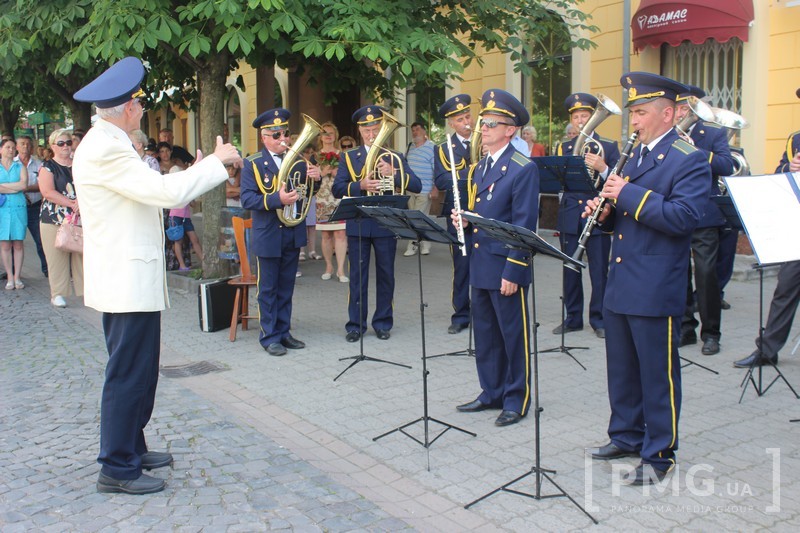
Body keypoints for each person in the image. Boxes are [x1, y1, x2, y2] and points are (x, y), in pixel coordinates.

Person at [71, 56, 242, 495]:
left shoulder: (109, 141)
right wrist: (216, 163)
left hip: (130, 277)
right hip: (125, 280)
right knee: (128, 372)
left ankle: (132, 445)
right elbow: (165, 192)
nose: (143, 107)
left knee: (141, 370)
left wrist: (198, 169)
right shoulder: (106, 146)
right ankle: (117, 466)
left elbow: (148, 195)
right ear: (127, 107)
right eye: (140, 101)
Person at [586, 72, 710, 485]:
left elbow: (685, 218)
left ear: (669, 113)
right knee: (622, 367)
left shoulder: (687, 157)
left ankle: (660, 453)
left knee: (657, 373)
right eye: (633, 113)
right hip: (622, 277)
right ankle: (625, 434)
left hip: (656, 284)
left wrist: (626, 195)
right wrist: (603, 214)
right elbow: (624, 218)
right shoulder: (634, 155)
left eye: (640, 112)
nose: (633, 121)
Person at [452, 89, 539, 427]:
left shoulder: (522, 168)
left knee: (512, 335)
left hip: (505, 266)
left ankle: (516, 398)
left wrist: (515, 270)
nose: (482, 128)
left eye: (491, 124)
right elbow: (485, 213)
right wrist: (466, 219)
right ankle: (491, 391)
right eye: (483, 123)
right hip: (481, 261)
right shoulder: (479, 168)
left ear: (510, 130)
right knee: (486, 334)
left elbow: (523, 225)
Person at [332, 105, 422, 342]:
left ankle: (382, 322)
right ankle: (355, 325)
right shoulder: (349, 157)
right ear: (360, 130)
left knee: (386, 275)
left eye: (375, 129)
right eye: (367, 130)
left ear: (382, 128)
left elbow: (417, 185)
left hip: (385, 223)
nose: (371, 134)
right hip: (359, 223)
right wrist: (360, 186)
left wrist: (394, 173)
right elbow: (337, 188)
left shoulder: (395, 158)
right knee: (358, 277)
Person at [239, 107, 321, 356]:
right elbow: (247, 200)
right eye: (276, 135)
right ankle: (269, 336)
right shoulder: (252, 163)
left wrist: (315, 180)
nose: (283, 139)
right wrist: (277, 199)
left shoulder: (297, 161)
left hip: (291, 231)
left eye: (285, 133)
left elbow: (306, 194)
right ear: (264, 137)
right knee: (268, 289)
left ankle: (284, 332)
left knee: (286, 288)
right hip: (268, 234)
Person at [734, 105, 800, 369]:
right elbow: (778, 175)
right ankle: (767, 351)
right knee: (785, 289)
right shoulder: (796, 139)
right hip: (796, 232)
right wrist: (790, 168)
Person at [555, 93, 620, 338]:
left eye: (585, 116)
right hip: (572, 213)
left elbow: (618, 180)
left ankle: (599, 319)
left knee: (599, 269)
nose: (581, 120)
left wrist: (602, 168)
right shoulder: (564, 147)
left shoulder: (610, 147)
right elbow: (559, 180)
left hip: (598, 213)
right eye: (576, 117)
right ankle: (572, 317)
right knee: (570, 267)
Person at [676, 86, 735, 356]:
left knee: (706, 275)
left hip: (704, 215)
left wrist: (696, 151)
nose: (681, 114)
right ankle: (686, 327)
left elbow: (727, 165)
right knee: (679, 274)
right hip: (674, 214)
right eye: (677, 108)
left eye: (685, 109)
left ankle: (711, 333)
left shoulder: (711, 133)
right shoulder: (666, 137)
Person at [433, 94, 474, 334]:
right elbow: (441, 179)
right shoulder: (443, 148)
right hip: (458, 211)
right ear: (452, 124)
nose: (467, 122)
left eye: (468, 116)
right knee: (462, 265)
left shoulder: (485, 141)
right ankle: (460, 315)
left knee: (486, 263)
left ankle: (484, 311)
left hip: (485, 210)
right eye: (460, 119)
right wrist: (472, 173)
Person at [38, 129, 83, 307]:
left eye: (68, 142)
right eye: (61, 143)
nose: (65, 146)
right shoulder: (48, 167)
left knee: (81, 253)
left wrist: (81, 201)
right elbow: (48, 192)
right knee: (56, 256)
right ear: (53, 146)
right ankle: (57, 293)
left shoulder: (79, 164)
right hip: (53, 218)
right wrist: (72, 203)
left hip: (80, 217)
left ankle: (84, 291)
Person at [315, 121, 348, 282]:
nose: (328, 136)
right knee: (326, 234)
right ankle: (329, 266)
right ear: (320, 137)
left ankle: (341, 269)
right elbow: (310, 177)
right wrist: (322, 173)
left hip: (338, 197)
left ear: (335, 136)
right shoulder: (315, 156)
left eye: (331, 133)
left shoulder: (342, 154)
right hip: (322, 197)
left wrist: (337, 173)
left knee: (341, 233)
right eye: (324, 133)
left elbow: (349, 176)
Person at [15, 135, 48, 277]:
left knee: (40, 239)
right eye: (22, 144)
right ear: (17, 147)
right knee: (14, 240)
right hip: (16, 207)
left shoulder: (38, 164)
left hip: (34, 206)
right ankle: (13, 271)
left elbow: (43, 185)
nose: (25, 147)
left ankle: (47, 269)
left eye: (28, 144)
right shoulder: (11, 164)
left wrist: (25, 187)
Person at [403, 121, 436, 256]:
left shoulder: (432, 147)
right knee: (419, 217)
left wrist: (435, 188)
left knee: (415, 216)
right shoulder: (410, 147)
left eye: (417, 129)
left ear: (424, 131)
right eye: (413, 130)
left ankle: (412, 245)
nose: (415, 132)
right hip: (410, 188)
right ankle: (425, 243)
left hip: (425, 188)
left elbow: (436, 169)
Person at [0, 138, 28, 290]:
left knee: (18, 242)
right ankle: (9, 276)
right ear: (1, 150)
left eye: (12, 147)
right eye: (7, 147)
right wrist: (14, 188)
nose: (11, 150)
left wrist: (4, 187)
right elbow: (19, 185)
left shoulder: (20, 166)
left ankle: (17, 276)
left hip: (18, 207)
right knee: (4, 243)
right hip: (2, 209)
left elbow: (23, 185)